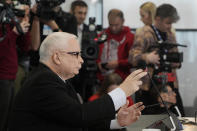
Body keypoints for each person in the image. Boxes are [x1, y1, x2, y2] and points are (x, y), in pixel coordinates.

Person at [9, 32, 147, 131]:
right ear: (57, 57)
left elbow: (74, 119)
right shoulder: (43, 81)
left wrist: (117, 122)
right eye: (76, 54)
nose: (81, 60)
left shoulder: (56, 79)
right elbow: (79, 115)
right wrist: (123, 91)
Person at [129, 4, 184, 115]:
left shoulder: (170, 35)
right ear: (158, 19)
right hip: (148, 87)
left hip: (170, 83)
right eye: (168, 23)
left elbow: (176, 60)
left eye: (171, 23)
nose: (170, 26)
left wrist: (175, 61)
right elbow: (132, 58)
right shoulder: (144, 33)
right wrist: (147, 57)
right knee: (149, 120)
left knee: (179, 116)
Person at [0, 0, 32, 130]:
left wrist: (23, 22)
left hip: (10, 77)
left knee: (8, 120)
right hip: (2, 77)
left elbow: (25, 47)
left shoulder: (10, 20)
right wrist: (14, 33)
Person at [97, 9, 134, 82]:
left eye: (116, 25)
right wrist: (98, 62)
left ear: (123, 21)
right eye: (111, 24)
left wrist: (118, 63)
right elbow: (96, 53)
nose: (113, 28)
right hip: (102, 79)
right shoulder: (102, 35)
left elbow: (133, 60)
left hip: (122, 79)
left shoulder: (130, 37)